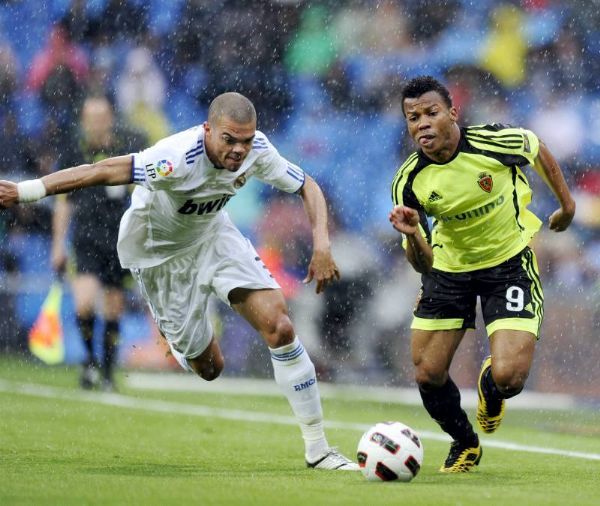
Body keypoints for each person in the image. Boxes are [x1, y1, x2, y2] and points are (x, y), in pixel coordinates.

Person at [0, 92, 358, 471]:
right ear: (208, 130)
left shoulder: (259, 150)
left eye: (246, 140)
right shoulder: (174, 157)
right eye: (229, 139)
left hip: (213, 237)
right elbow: (98, 171)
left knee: (281, 326)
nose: (239, 150)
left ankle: (318, 449)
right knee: (210, 368)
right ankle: (180, 341)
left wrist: (321, 243)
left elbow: (308, 186)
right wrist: (26, 191)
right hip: (160, 256)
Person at [389, 76, 575, 473]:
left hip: (508, 264)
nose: (422, 123)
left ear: (453, 113)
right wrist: (411, 236)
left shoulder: (494, 142)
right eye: (412, 117)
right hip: (449, 270)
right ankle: (465, 442)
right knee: (427, 372)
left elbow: (537, 149)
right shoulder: (408, 182)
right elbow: (422, 263)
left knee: (510, 377)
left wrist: (567, 205)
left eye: (431, 113)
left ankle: (492, 388)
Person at [51, 95, 145, 391]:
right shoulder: (73, 153)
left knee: (114, 308)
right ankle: (90, 362)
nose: (96, 123)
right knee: (84, 304)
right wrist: (58, 244)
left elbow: (142, 193)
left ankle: (106, 371)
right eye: (90, 118)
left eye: (101, 116)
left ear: (110, 119)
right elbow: (64, 203)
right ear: (83, 121)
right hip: (86, 239)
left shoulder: (125, 151)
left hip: (119, 240)